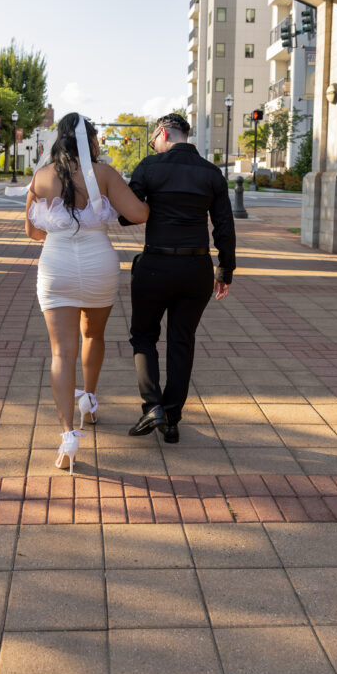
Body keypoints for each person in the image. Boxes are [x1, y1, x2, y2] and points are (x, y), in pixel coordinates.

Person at [25, 112, 149, 473]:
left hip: (56, 265)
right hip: (98, 263)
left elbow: (32, 232)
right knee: (94, 333)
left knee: (61, 353)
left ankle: (68, 437)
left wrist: (61, 232)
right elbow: (139, 214)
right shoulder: (104, 174)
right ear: (89, 140)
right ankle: (90, 402)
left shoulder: (42, 177)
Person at [120, 113, 236, 443]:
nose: (153, 145)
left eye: (154, 139)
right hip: (196, 269)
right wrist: (224, 270)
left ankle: (152, 406)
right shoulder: (212, 173)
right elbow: (224, 228)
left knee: (143, 336)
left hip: (155, 265)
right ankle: (172, 419)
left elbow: (126, 216)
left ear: (163, 133)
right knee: (182, 342)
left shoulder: (150, 167)